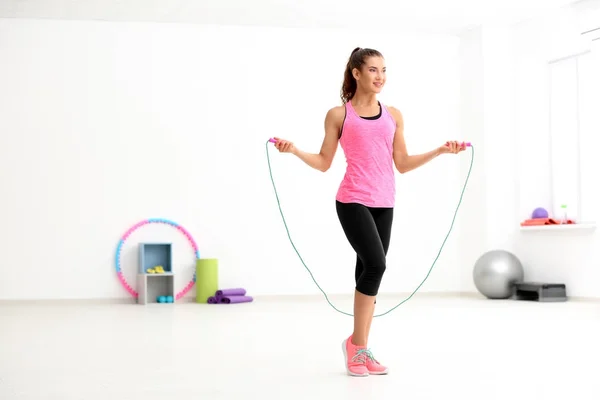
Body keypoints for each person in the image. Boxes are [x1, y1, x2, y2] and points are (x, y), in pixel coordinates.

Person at [271, 47, 465, 377]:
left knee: (367, 273)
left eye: (385, 70)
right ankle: (357, 348)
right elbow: (323, 163)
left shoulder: (394, 115)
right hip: (352, 200)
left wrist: (439, 151)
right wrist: (294, 151)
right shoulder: (339, 115)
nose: (380, 77)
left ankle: (358, 347)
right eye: (373, 70)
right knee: (377, 264)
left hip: (385, 202)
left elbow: (401, 164)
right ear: (356, 74)